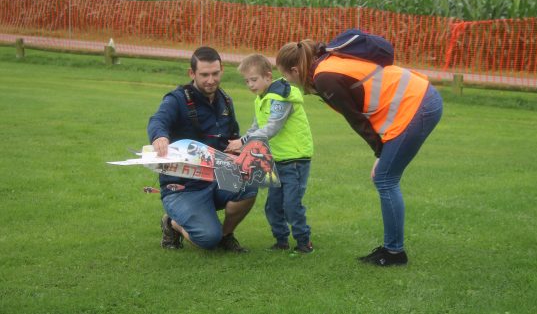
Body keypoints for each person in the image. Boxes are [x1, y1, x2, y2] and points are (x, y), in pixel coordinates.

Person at [275, 40, 443, 266]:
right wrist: (381, 154)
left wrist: (380, 152)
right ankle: (392, 249)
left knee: (385, 179)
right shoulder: (327, 60)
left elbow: (357, 120)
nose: (288, 81)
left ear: (295, 70)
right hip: (420, 98)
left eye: (286, 76)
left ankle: (394, 253)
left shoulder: (324, 78)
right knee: (384, 177)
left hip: (415, 104)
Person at [148, 46, 257, 252]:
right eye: (204, 75)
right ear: (192, 73)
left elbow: (232, 137)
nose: (211, 80)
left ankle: (225, 235)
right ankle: (172, 223)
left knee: (249, 185)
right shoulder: (177, 99)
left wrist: (242, 153)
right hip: (182, 186)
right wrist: (159, 136)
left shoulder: (225, 100)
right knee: (207, 239)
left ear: (222, 70)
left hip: (215, 178)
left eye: (215, 74)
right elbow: (158, 120)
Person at [225, 54, 314, 253]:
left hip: (295, 160)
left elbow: (273, 126)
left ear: (267, 76)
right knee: (273, 206)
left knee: (291, 205)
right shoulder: (261, 99)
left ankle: (303, 242)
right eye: (246, 81)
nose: (250, 84)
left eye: (253, 79)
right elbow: (256, 127)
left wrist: (244, 142)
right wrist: (240, 143)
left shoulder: (281, 96)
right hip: (276, 160)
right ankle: (281, 242)